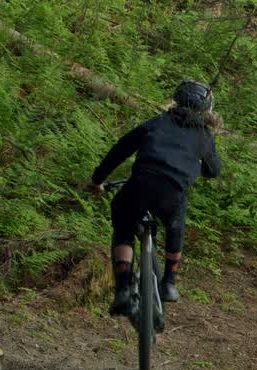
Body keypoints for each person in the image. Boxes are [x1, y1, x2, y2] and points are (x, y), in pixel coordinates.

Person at [88, 79, 223, 315]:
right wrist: (193, 166)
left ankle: (122, 290)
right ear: (206, 110)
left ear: (176, 100)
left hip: (141, 183)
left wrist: (97, 180)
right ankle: (169, 282)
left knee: (123, 224)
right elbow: (214, 170)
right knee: (176, 223)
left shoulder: (158, 122)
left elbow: (121, 148)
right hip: (173, 190)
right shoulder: (204, 135)